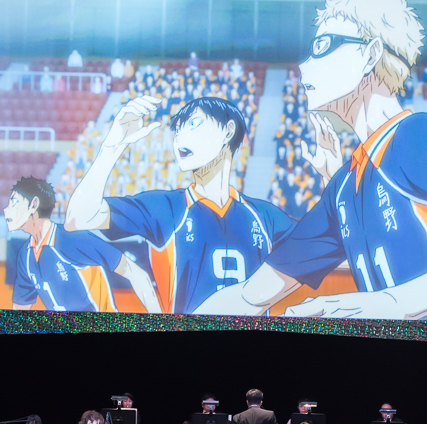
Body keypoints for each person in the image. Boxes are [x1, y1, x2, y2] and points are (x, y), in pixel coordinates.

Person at [194, 0, 427, 321]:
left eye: (322, 46)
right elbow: (252, 294)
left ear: (370, 54)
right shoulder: (344, 186)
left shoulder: (416, 134)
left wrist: (387, 305)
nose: (305, 65)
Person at [64, 96, 295, 314]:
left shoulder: (265, 216)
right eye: (177, 131)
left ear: (228, 131)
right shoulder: (163, 208)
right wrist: (111, 147)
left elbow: (317, 251)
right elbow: (78, 218)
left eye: (193, 124)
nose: (180, 139)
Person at [5, 177, 160, 313]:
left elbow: (136, 273)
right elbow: (20, 307)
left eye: (14, 202)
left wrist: (160, 323)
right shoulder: (25, 255)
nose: (6, 210)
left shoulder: (73, 239)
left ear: (34, 205)